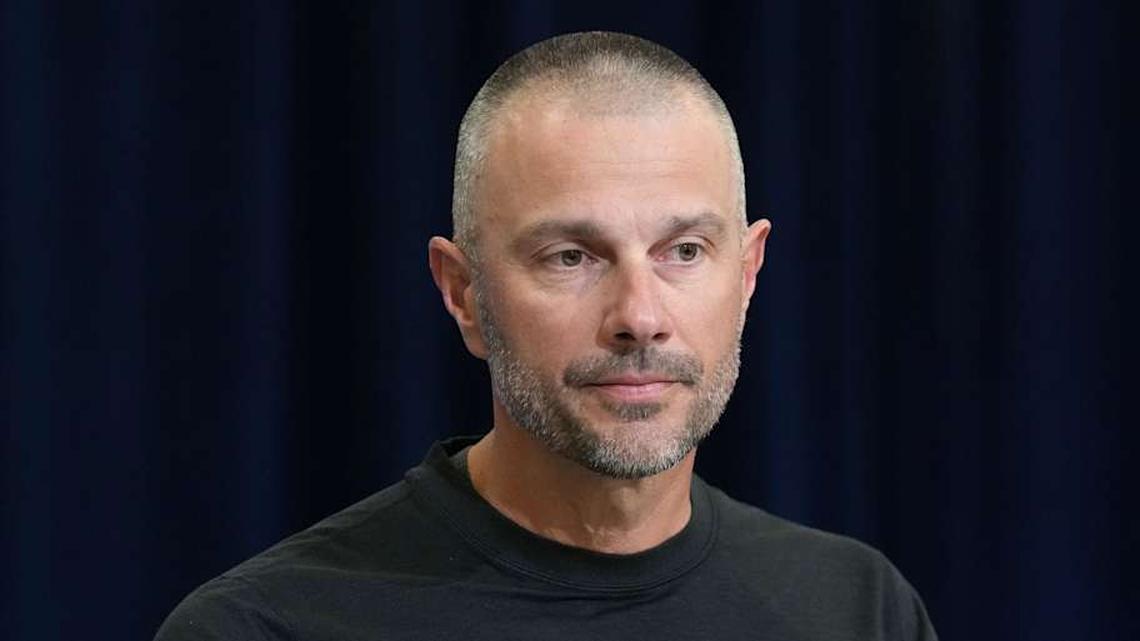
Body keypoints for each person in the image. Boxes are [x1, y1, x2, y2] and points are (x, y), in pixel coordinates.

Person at [155, 31, 938, 640]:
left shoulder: (857, 609)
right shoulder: (266, 626)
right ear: (463, 294)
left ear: (748, 272)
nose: (640, 314)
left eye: (684, 251)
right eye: (572, 256)